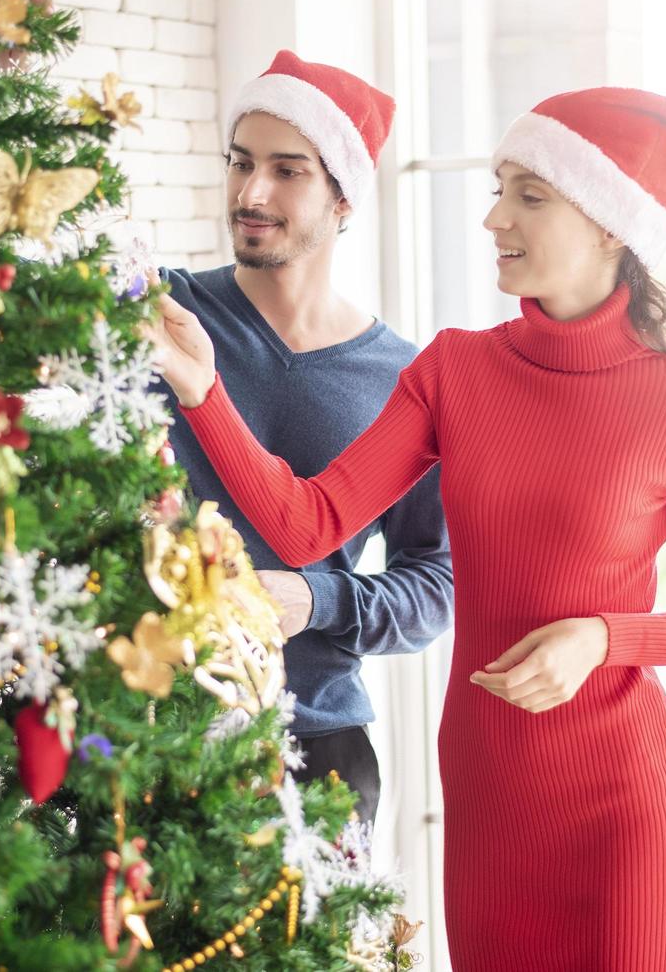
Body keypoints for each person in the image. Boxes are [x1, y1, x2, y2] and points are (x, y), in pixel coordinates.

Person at [144, 86, 666, 970]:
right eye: (497, 187)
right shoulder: (454, 372)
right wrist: (204, 388)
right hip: (486, 788)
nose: (492, 218)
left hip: (619, 804)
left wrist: (602, 637)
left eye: (528, 196)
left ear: (610, 227)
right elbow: (305, 519)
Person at [154, 51, 454, 824]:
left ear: (343, 199)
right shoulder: (163, 318)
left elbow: (437, 585)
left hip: (319, 746)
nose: (251, 194)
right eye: (240, 162)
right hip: (142, 728)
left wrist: (314, 598)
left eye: (288, 171)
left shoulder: (402, 378)